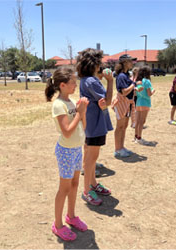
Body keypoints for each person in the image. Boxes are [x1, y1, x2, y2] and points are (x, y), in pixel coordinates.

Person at [45, 67, 89, 241]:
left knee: (75, 183)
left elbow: (82, 126)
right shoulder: (59, 105)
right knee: (64, 188)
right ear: (62, 85)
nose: (75, 85)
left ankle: (71, 216)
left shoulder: (71, 102)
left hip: (77, 149)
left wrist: (82, 112)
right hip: (66, 151)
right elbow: (67, 132)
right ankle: (58, 224)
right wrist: (79, 113)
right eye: (72, 82)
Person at [77, 48, 113, 206]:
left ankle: (93, 184)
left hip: (92, 123)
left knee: (92, 157)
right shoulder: (91, 81)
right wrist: (110, 81)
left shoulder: (86, 80)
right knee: (91, 158)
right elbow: (108, 101)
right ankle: (87, 191)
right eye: (99, 62)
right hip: (94, 124)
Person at [112, 54, 142, 158]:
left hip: (127, 103)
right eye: (130, 61)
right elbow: (124, 92)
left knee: (124, 127)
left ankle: (121, 147)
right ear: (124, 62)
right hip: (122, 103)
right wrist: (134, 84)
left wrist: (135, 87)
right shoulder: (121, 76)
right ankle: (117, 149)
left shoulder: (125, 75)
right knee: (120, 127)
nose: (132, 63)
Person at [134, 66, 155, 144]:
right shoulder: (147, 81)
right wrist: (153, 91)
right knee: (142, 121)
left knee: (137, 121)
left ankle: (136, 137)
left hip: (138, 102)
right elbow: (149, 93)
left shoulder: (137, 81)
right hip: (145, 103)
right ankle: (139, 138)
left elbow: (135, 93)